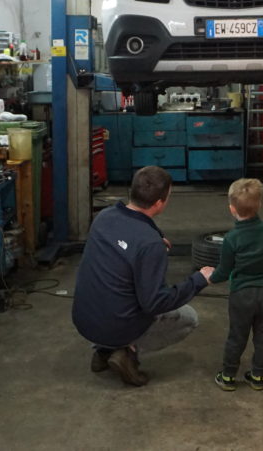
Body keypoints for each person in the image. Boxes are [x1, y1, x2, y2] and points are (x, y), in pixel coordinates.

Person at [72, 165, 214, 387]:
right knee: (188, 318)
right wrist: (199, 280)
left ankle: (102, 350)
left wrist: (155, 240)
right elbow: (155, 302)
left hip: (84, 319)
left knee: (116, 290)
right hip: (115, 325)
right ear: (159, 203)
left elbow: (128, 238)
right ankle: (127, 353)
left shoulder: (104, 216)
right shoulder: (149, 245)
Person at [210, 178, 263, 392]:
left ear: (232, 209)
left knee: (237, 335)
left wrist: (209, 277)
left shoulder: (232, 239)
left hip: (242, 295)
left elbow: (224, 270)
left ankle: (227, 376)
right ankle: (258, 376)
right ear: (259, 204)